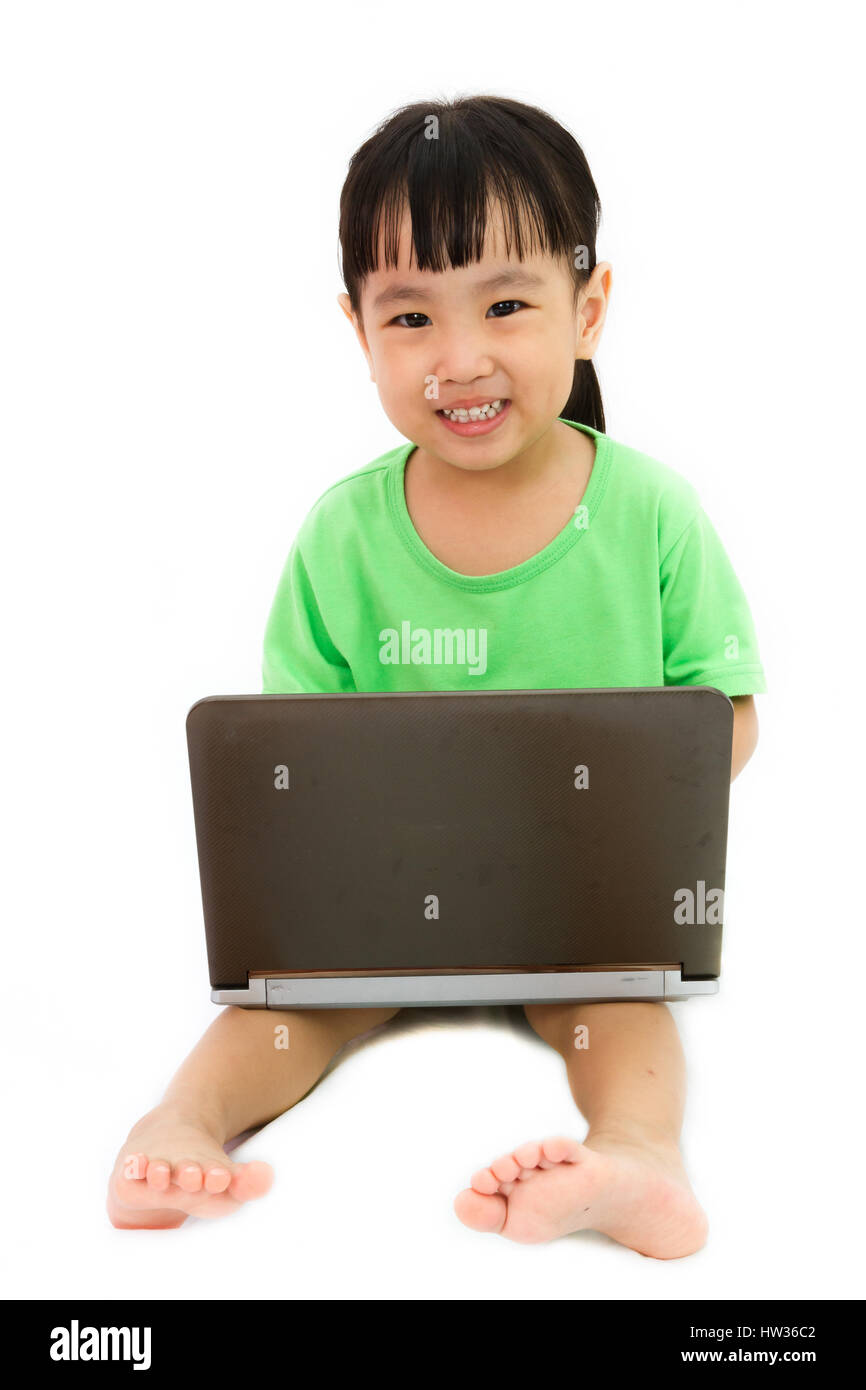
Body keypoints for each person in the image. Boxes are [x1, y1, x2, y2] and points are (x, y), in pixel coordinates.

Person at [107, 95, 765, 1258]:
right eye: (410, 314)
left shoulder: (651, 511)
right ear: (359, 330)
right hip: (376, 909)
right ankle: (183, 1123)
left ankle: (634, 1158)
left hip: (579, 910)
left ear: (588, 308)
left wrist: (636, 809)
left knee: (618, 1016)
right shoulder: (341, 535)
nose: (461, 359)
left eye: (506, 304)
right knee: (281, 1016)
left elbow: (726, 712)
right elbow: (289, 761)